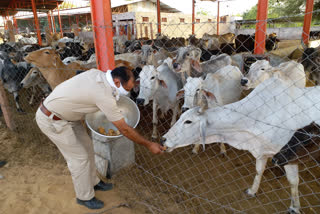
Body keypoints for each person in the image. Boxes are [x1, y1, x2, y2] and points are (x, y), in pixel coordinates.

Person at [35, 66, 164, 210]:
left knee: (88, 147)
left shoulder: (97, 74)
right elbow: (124, 129)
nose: (131, 88)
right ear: (116, 82)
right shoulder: (103, 95)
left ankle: (94, 182)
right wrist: (148, 144)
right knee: (79, 159)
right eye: (130, 86)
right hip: (53, 120)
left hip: (69, 117)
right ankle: (84, 197)